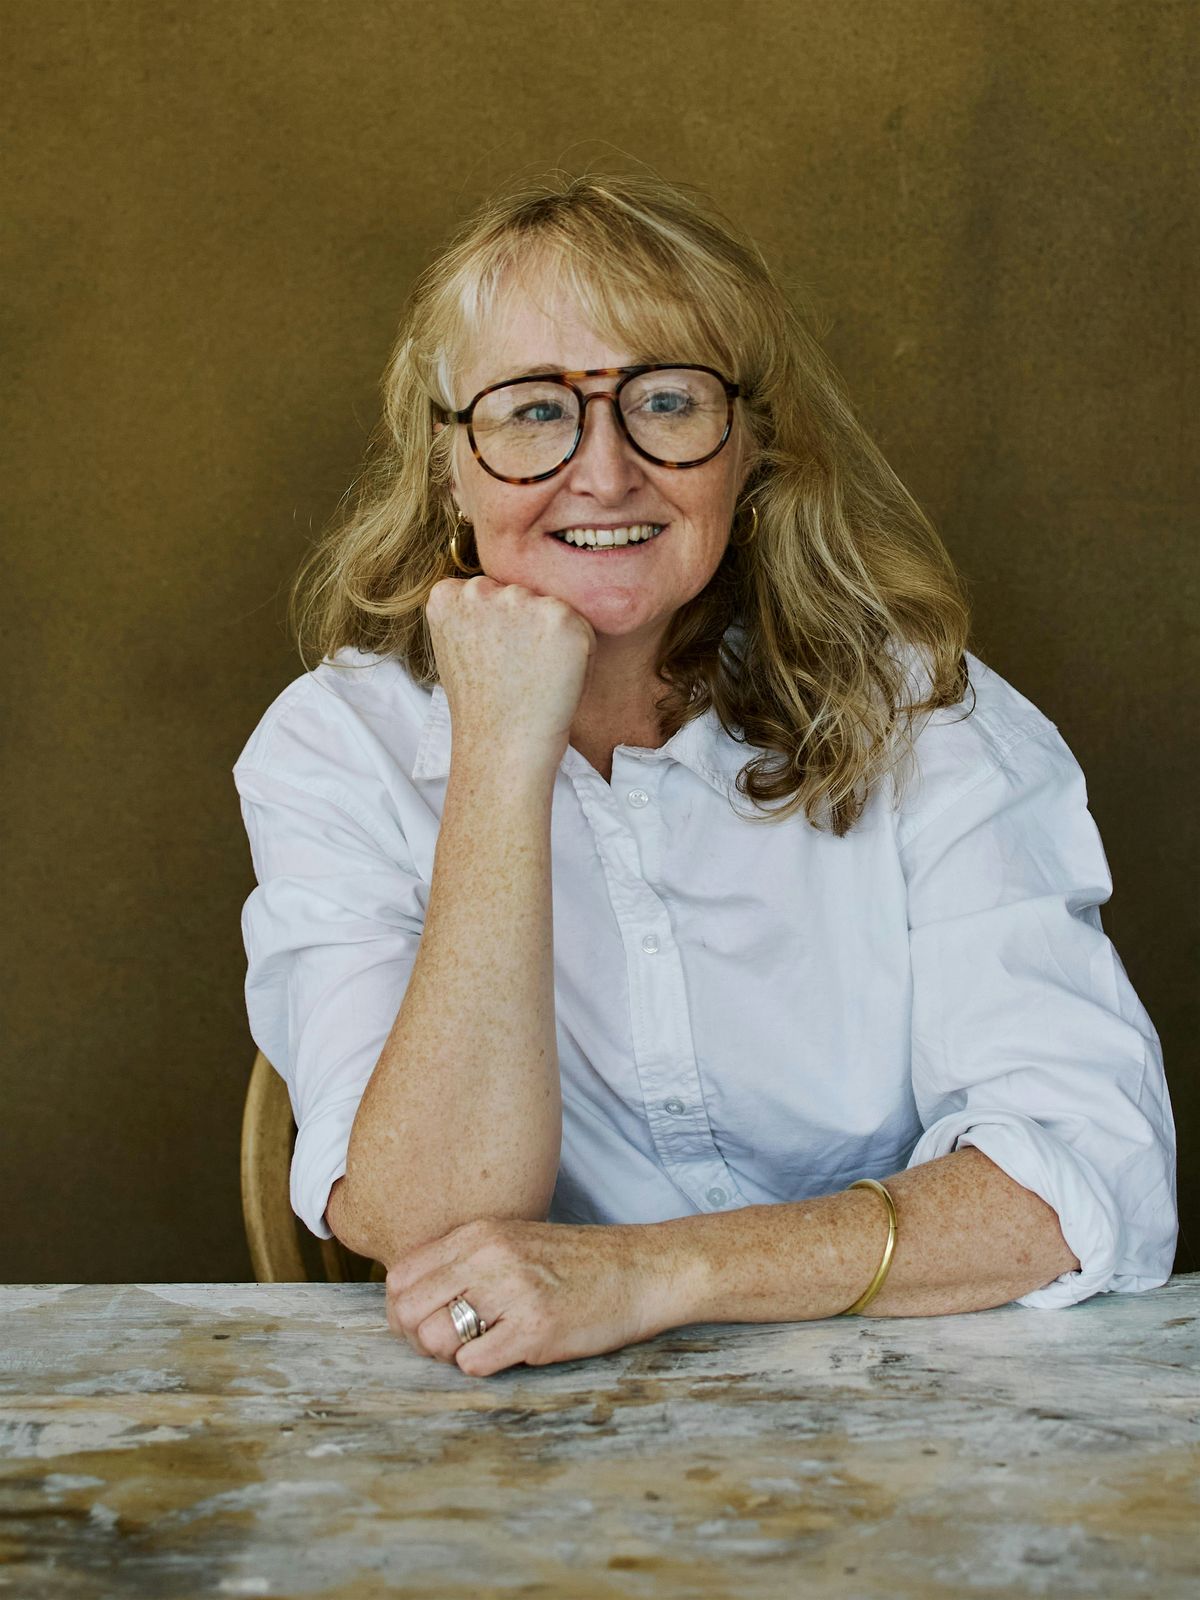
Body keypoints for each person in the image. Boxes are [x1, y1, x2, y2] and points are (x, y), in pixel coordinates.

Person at [232, 170, 1177, 1378]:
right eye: (533, 410)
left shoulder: (924, 715)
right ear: (447, 463)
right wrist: (502, 757)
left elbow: (1086, 1179)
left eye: (667, 401)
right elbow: (432, 1215)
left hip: (917, 1411)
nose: (605, 472)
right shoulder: (336, 748)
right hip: (526, 1424)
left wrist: (657, 1274)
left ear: (750, 449)